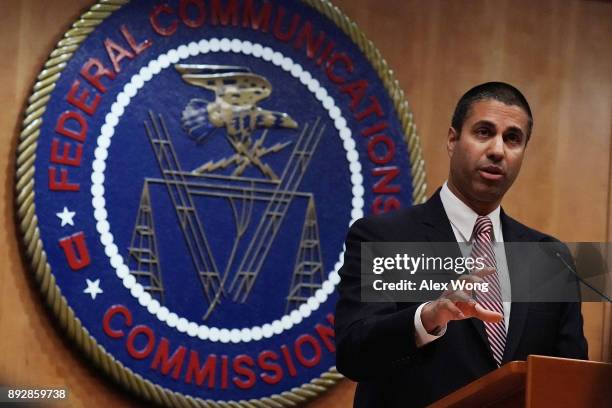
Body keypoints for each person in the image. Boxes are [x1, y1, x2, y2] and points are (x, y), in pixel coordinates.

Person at [334, 82, 588, 407]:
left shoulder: (550, 257)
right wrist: (428, 316)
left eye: (512, 138)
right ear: (453, 140)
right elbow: (354, 354)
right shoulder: (385, 238)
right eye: (484, 132)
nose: (498, 150)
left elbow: (569, 378)